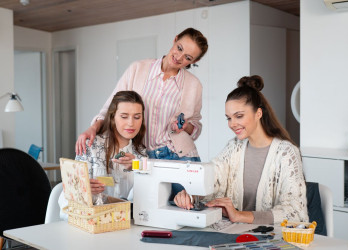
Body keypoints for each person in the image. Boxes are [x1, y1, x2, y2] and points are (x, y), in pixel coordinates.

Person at [75, 28, 208, 194]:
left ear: (192, 61)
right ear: (175, 40)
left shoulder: (194, 85)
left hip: (180, 157)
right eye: (180, 48)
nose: (179, 57)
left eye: (188, 57)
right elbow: (111, 106)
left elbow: (196, 128)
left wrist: (186, 126)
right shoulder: (137, 69)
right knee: (150, 210)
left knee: (188, 207)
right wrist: (93, 128)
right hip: (144, 155)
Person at [174, 75, 309, 225]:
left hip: (270, 238)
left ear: (258, 113)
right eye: (229, 118)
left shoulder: (286, 153)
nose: (232, 124)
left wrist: (239, 215)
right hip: (235, 234)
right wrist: (190, 194)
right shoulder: (233, 148)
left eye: (239, 116)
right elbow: (213, 176)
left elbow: (294, 211)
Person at [59, 91, 147, 219]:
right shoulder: (91, 147)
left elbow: (146, 199)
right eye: (124, 116)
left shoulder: (141, 154)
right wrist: (83, 191)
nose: (131, 123)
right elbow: (68, 195)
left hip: (124, 225)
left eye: (137, 117)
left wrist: (137, 167)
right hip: (91, 224)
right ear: (112, 117)